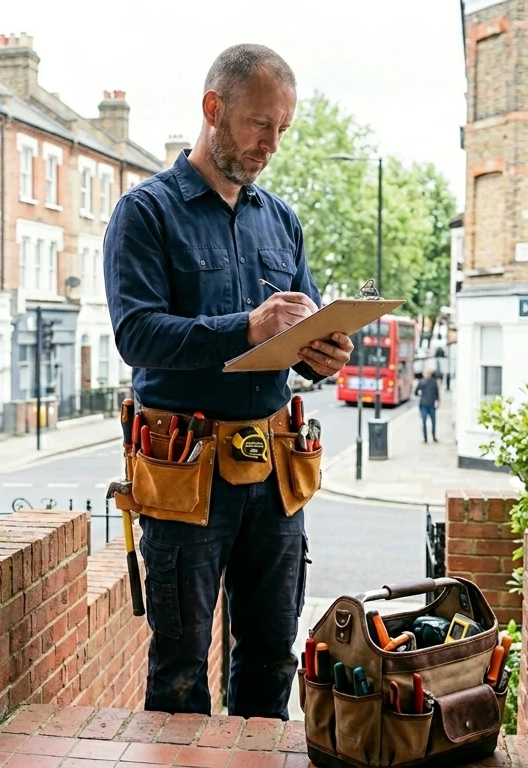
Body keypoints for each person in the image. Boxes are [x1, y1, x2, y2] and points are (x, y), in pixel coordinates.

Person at [103, 44, 352, 719]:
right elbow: (136, 335)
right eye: (259, 124)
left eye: (282, 128)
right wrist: (245, 327)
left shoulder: (281, 220)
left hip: (274, 471)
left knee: (272, 655)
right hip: (184, 472)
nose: (272, 144)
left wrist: (321, 353)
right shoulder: (144, 213)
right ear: (213, 108)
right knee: (181, 669)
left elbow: (296, 336)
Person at [415, 371, 441, 442]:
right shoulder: (421, 382)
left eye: (428, 373)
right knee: (424, 421)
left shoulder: (433, 382)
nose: (427, 375)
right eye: (426, 373)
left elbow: (437, 392)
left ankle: (433, 436)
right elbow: (416, 392)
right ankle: (425, 437)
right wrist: (420, 394)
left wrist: (438, 401)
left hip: (432, 404)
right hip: (423, 405)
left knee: (433, 421)